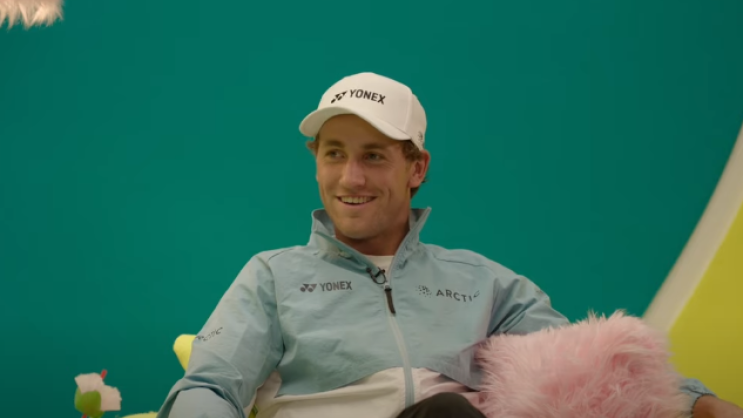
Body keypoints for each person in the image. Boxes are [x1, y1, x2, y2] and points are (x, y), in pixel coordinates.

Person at [156, 72, 741, 418]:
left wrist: (697, 402)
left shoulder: (483, 282)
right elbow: (210, 387)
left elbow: (584, 369)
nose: (350, 178)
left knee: (448, 413)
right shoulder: (272, 275)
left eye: (374, 156)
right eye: (334, 154)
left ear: (417, 168)